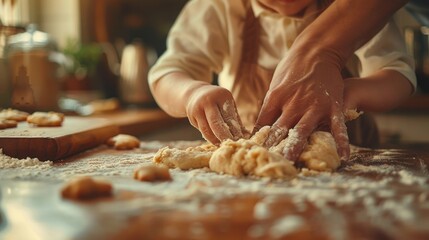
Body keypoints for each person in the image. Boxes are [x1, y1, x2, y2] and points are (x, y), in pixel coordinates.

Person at [148, 0, 415, 162]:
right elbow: (166, 74)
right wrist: (191, 94)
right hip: (253, 169)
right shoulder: (218, 9)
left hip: (351, 160)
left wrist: (347, 93)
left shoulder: (356, 9)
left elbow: (398, 75)